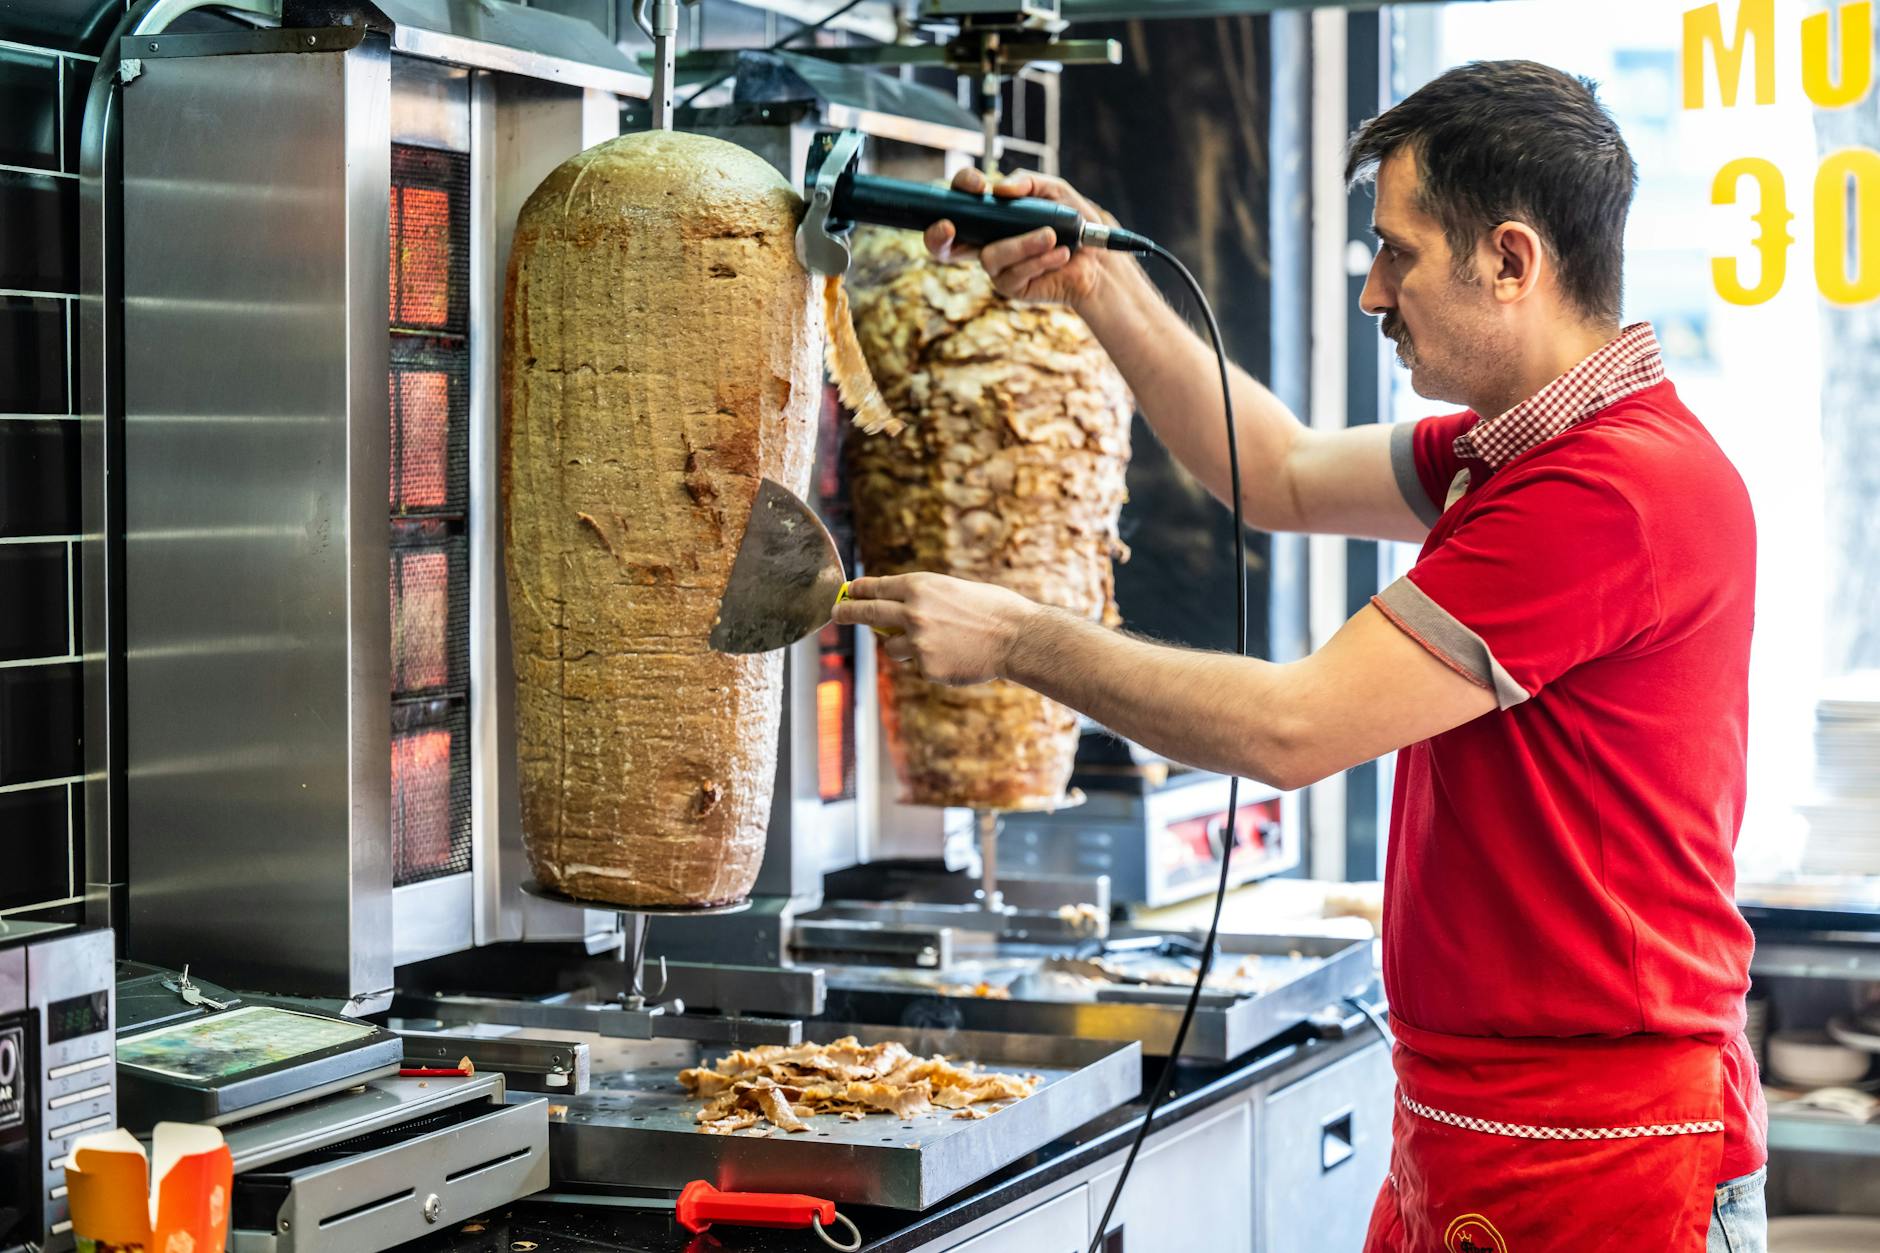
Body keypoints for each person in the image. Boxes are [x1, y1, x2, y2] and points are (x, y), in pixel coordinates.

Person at [832, 60, 1765, 1252]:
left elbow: (1290, 727)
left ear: (1511, 260)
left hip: (1602, 1152)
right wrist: (1099, 285)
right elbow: (1268, 471)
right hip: (1480, 1123)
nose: (1373, 291)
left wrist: (1018, 635)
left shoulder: (1608, 490)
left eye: (1398, 253)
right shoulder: (1510, 455)